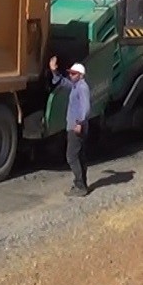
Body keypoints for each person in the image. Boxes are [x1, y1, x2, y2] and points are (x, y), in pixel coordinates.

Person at [50, 55, 91, 197]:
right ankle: (82, 185)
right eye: (70, 73)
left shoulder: (82, 88)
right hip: (75, 126)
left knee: (71, 156)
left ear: (80, 75)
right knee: (79, 155)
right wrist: (54, 71)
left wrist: (79, 122)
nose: (70, 75)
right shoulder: (75, 86)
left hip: (77, 127)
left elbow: (85, 107)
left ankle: (80, 185)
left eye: (73, 73)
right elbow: (62, 83)